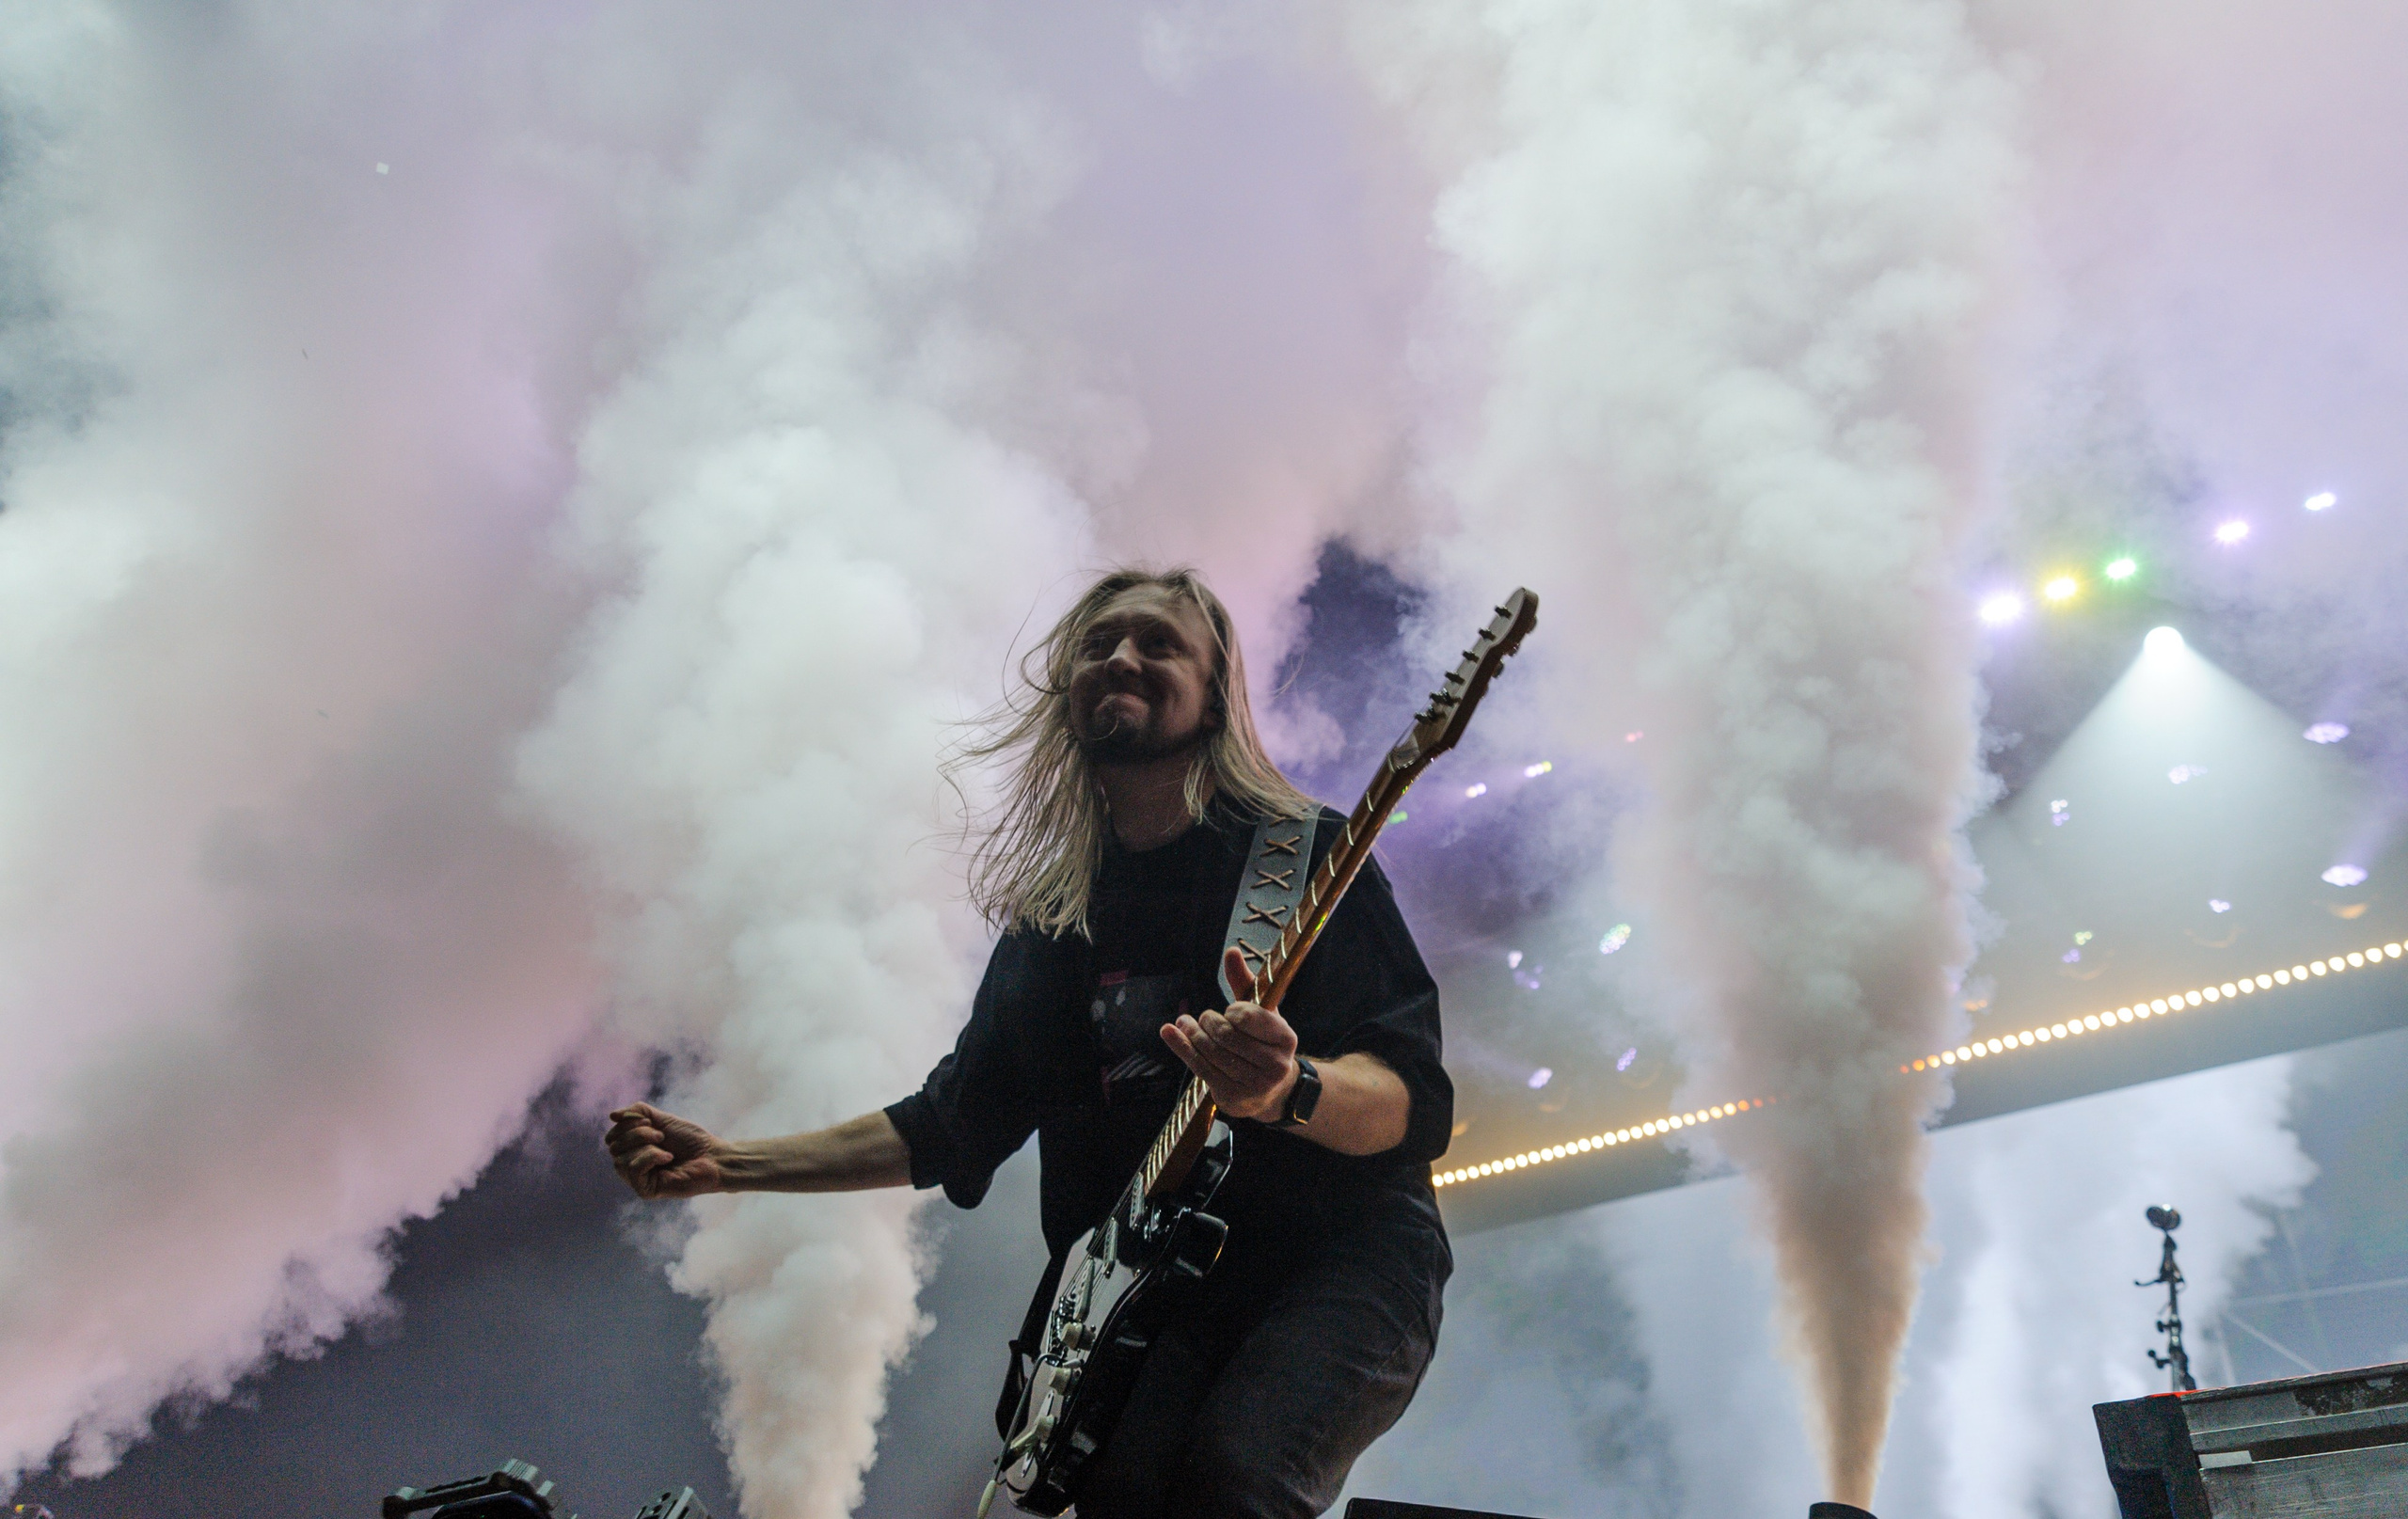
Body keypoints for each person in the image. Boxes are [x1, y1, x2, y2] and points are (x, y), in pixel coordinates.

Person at [606, 567, 1452, 1519]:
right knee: (1124, 1494)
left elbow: (1411, 1104)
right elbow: (947, 1123)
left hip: (1337, 1254)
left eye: (1157, 641)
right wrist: (728, 1164)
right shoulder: (1055, 925)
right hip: (1159, 1291)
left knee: (1235, 1479)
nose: (1121, 656)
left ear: (1214, 694)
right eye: (1098, 643)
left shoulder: (1298, 860)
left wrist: (1288, 1088)